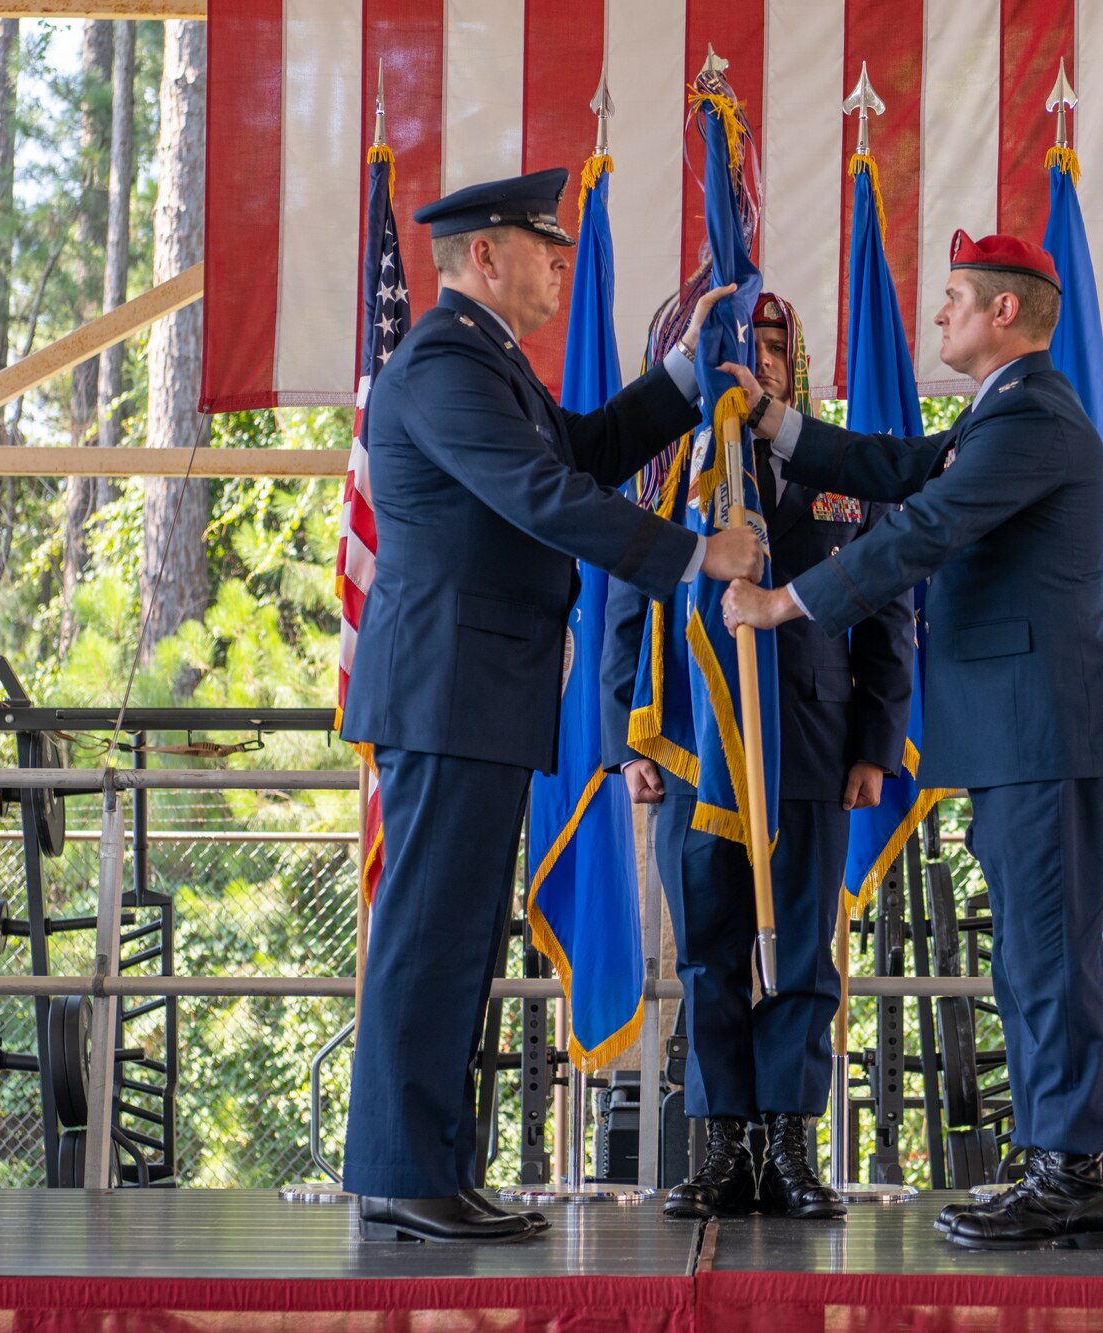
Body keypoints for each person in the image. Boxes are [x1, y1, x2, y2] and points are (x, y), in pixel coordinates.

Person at [339, 169, 762, 1245]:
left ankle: (431, 1165)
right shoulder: (439, 363)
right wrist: (693, 555)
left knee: (459, 936)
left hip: (479, 691)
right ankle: (398, 1168)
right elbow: (543, 496)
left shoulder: (489, 367)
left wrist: (680, 373)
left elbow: (574, 452)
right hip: (448, 690)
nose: (562, 265)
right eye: (546, 247)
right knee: (430, 934)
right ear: (486, 256)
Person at [720, 231, 1103, 1251]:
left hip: (1044, 729)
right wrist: (773, 420)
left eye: (955, 297)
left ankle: (1069, 1168)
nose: (938, 313)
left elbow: (919, 528)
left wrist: (786, 600)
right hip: (1019, 730)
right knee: (1031, 954)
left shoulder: (1032, 419)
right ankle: (1060, 1156)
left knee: (1045, 955)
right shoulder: (997, 416)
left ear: (1004, 312)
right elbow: (887, 465)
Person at [603, 291, 915, 1222]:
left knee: (804, 957)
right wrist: (629, 740)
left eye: (778, 342)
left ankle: (788, 1143)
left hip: (815, 751)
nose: (764, 357)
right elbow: (626, 611)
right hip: (694, 752)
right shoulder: (669, 473)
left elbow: (888, 611)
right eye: (748, 341)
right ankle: (720, 1147)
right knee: (706, 954)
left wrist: (876, 744)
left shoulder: (842, 463)